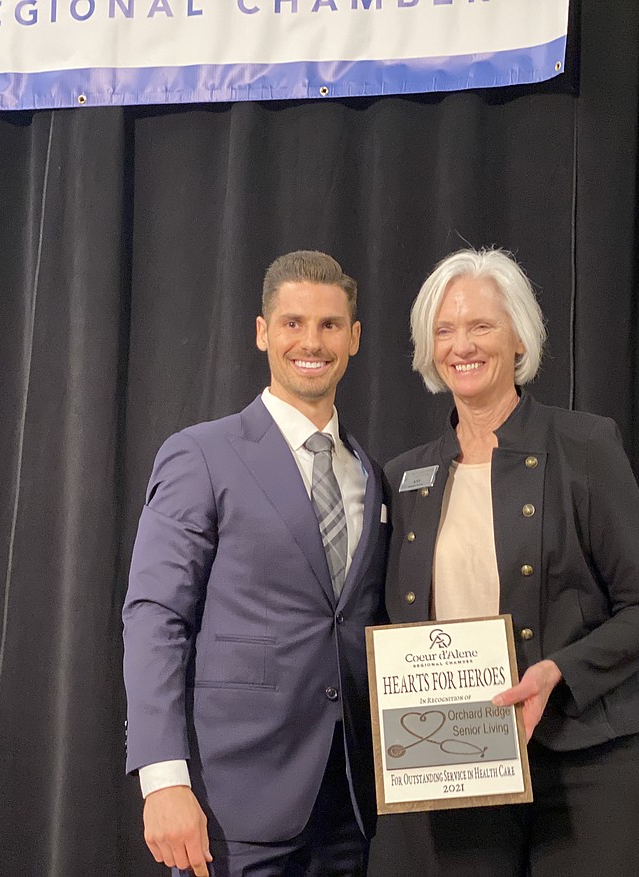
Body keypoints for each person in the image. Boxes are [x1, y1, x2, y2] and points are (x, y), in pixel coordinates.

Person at [368, 248, 639, 877]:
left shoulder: (585, 445)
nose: (462, 345)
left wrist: (556, 673)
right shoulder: (404, 478)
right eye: (445, 330)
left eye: (481, 325)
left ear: (518, 337)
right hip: (457, 763)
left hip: (587, 760)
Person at [123, 251, 389, 876]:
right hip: (233, 800)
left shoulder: (369, 474)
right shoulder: (202, 454)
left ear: (353, 338)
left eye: (329, 325)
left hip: (348, 799)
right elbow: (153, 616)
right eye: (293, 323)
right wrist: (162, 778)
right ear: (262, 332)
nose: (311, 342)